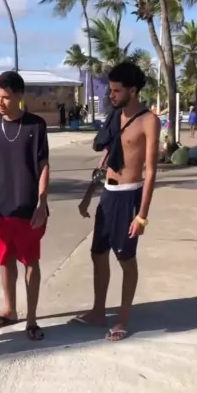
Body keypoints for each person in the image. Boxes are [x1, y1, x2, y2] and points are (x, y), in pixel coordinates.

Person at [77, 61, 160, 341]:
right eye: (110, 90)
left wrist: (142, 215)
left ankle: (123, 318)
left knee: (125, 258)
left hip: (128, 196)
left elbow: (151, 170)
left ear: (132, 90)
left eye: (116, 90)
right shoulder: (114, 117)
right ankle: (98, 311)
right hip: (108, 194)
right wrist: (89, 195)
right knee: (98, 253)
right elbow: (106, 159)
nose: (110, 95)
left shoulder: (148, 121)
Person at [0, 70, 50, 340]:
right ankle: (9, 310)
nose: (0, 102)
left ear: (19, 96)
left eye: (6, 97)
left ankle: (31, 318)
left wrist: (42, 202)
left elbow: (43, 166)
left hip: (29, 208)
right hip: (2, 207)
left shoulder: (36, 125)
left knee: (31, 261)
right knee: (5, 259)